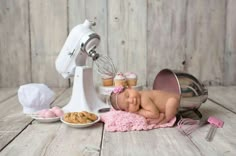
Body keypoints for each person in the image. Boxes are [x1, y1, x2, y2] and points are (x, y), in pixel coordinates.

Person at [108, 86, 180, 125]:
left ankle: (166, 119)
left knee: (171, 102)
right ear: (128, 111)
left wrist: (139, 112)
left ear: (130, 88)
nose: (131, 100)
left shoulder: (143, 98)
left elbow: (155, 114)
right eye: (128, 106)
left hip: (177, 101)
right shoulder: (140, 97)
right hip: (176, 99)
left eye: (128, 95)